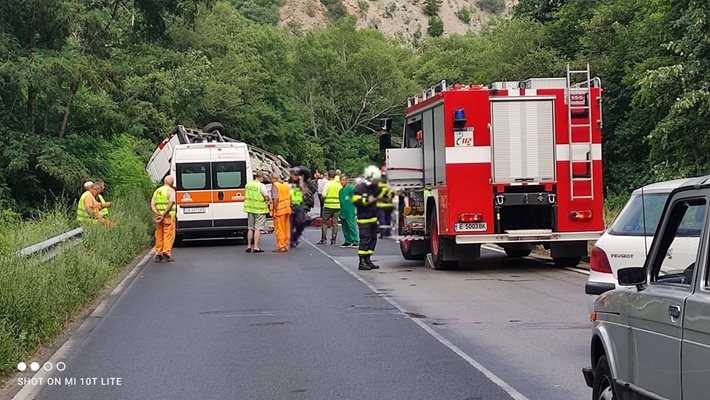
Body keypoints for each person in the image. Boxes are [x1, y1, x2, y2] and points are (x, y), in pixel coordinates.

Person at [353, 166, 382, 270]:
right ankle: (361, 262)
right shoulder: (360, 187)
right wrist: (368, 200)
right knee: (365, 239)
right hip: (364, 218)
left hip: (373, 218)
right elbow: (357, 201)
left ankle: (368, 260)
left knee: (373, 239)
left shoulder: (376, 188)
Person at [150, 175, 177, 262]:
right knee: (168, 235)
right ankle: (166, 254)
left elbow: (152, 205)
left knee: (159, 235)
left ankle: (158, 254)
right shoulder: (171, 190)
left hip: (158, 218)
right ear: (171, 182)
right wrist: (164, 214)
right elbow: (171, 203)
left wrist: (158, 214)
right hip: (168, 217)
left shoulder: (157, 191)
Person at [244, 171, 271, 254]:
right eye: (263, 177)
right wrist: (268, 198)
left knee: (250, 228)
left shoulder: (248, 184)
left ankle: (249, 246)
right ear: (261, 177)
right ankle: (256, 247)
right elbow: (266, 197)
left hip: (250, 209)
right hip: (259, 210)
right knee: (258, 229)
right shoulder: (261, 186)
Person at [271, 172, 291, 252]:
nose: (270, 181)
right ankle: (285, 245)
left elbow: (275, 199)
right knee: (286, 228)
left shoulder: (275, 186)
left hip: (279, 210)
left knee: (279, 229)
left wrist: (274, 211)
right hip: (287, 209)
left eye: (271, 179)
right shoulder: (285, 185)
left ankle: (281, 246)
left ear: (274, 178)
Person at [319, 170, 341, 245]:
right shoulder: (339, 185)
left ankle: (324, 239)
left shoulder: (328, 184)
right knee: (335, 223)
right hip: (337, 205)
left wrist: (323, 200)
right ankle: (333, 239)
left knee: (324, 222)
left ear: (328, 176)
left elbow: (323, 195)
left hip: (328, 205)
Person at [338, 175, 359, 248]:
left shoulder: (350, 188)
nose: (342, 182)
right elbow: (341, 201)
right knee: (345, 226)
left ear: (347, 180)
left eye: (343, 180)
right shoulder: (340, 191)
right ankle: (348, 240)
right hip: (343, 210)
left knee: (351, 225)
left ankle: (355, 240)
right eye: (341, 180)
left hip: (350, 210)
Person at [289, 170, 307, 248]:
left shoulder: (299, 184)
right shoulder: (288, 184)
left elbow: (304, 192)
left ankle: (296, 237)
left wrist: (301, 181)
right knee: (291, 225)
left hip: (299, 205)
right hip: (291, 205)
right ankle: (292, 240)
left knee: (301, 222)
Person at [377, 174, 394, 238]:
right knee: (388, 219)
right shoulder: (389, 187)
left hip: (381, 205)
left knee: (381, 219)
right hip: (389, 205)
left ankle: (382, 233)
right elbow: (392, 195)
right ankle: (388, 232)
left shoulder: (378, 187)